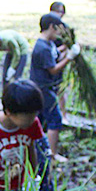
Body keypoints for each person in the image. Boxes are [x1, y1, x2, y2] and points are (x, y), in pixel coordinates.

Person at [30, 13, 80, 161]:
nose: (58, 34)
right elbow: (53, 69)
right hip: (43, 89)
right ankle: (52, 153)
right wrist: (70, 58)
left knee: (38, 120)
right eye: (57, 30)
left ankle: (37, 148)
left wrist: (67, 51)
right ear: (51, 27)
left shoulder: (48, 44)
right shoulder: (42, 48)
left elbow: (56, 55)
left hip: (44, 88)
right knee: (55, 120)